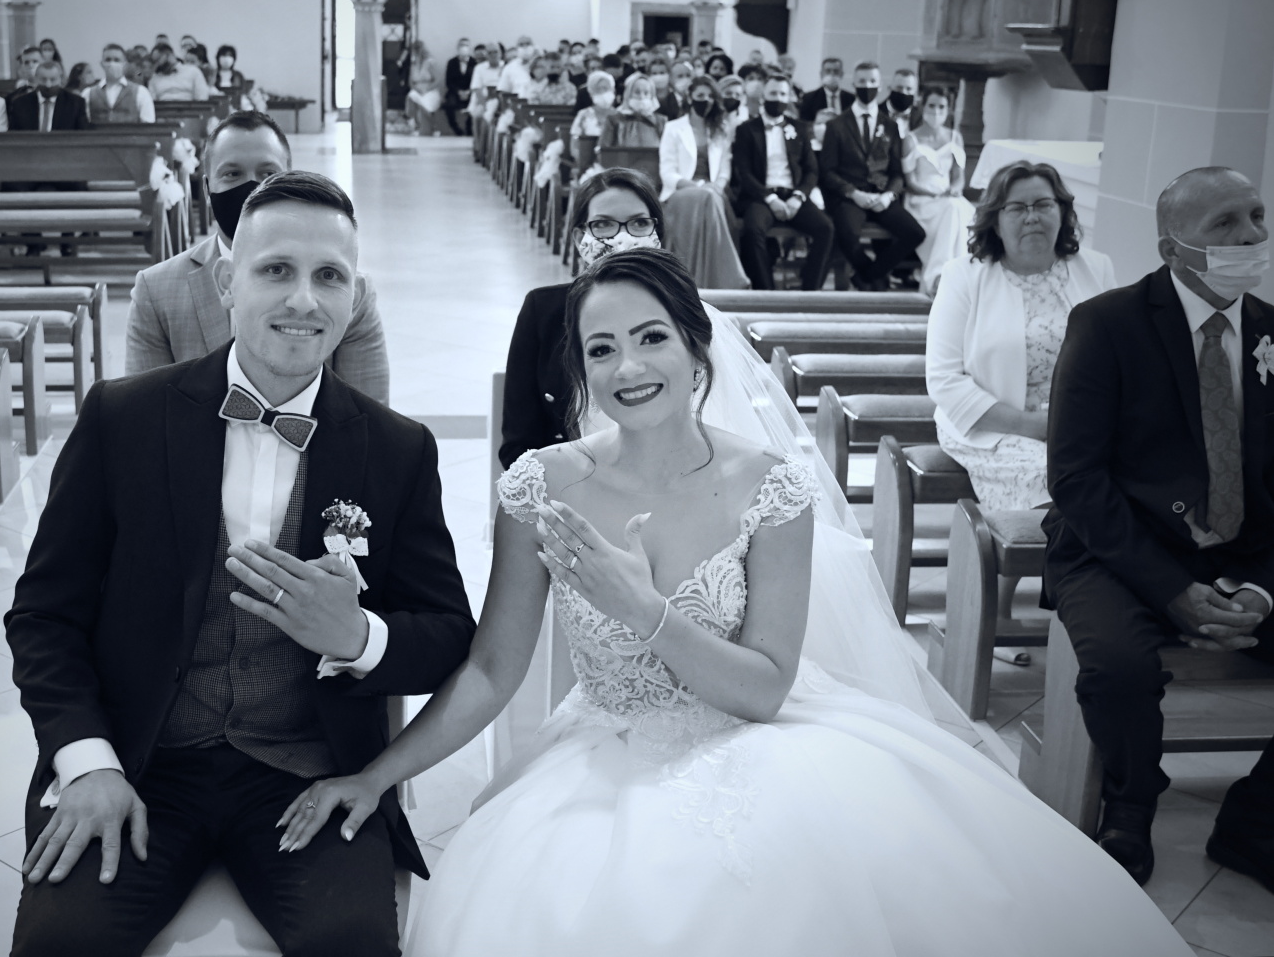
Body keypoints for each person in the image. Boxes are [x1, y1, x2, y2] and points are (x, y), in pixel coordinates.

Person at [280, 246, 1195, 957]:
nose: (628, 366)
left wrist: (643, 610)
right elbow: (490, 670)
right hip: (605, 752)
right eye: (601, 349)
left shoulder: (771, 487)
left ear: (695, 347)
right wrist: (378, 776)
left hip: (762, 741)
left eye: (651, 338)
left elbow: (763, 688)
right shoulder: (541, 487)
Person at [5, 170, 474, 957]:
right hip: (140, 762)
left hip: (308, 775)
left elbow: (447, 634)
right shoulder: (124, 418)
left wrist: (358, 637)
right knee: (61, 945)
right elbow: (44, 616)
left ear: (355, 296)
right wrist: (87, 763)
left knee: (352, 945)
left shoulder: (396, 449)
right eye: (276, 270)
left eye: (330, 276)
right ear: (227, 281)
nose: (304, 300)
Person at [1044, 166, 1274, 891]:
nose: (1251, 236)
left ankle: (1256, 818)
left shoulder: (1272, 331)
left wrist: (1261, 588)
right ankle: (1130, 806)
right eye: (1225, 224)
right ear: (1173, 249)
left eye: (1256, 216)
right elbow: (1076, 478)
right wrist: (1172, 589)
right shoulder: (1107, 324)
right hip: (1115, 548)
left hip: (1244, 549)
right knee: (1118, 666)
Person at [125, 111, 389, 403]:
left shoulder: (349, 296)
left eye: (267, 174)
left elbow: (368, 417)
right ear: (207, 189)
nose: (252, 189)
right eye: (232, 174)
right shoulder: (157, 291)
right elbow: (144, 414)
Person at [927, 160, 1115, 515]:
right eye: (1016, 208)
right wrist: (1032, 426)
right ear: (995, 221)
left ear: (1062, 211)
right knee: (1059, 480)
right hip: (991, 429)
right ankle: (1025, 550)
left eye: (1043, 204)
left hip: (1082, 427)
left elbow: (1121, 360)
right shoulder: (963, 277)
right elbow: (944, 379)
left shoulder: (1096, 269)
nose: (1032, 217)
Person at [501, 168, 666, 468]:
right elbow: (518, 444)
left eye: (639, 223)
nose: (622, 238)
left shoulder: (681, 315)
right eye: (603, 225)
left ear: (657, 234)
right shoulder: (543, 311)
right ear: (580, 237)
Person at [818, 62, 925, 291]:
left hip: (881, 194)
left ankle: (868, 276)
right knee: (847, 234)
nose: (867, 86)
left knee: (915, 233)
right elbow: (827, 171)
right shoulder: (836, 125)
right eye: (862, 82)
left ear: (880, 86)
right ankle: (875, 280)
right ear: (854, 84)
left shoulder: (890, 126)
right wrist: (852, 193)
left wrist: (889, 195)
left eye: (872, 82)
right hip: (850, 196)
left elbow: (897, 172)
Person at [732, 73, 832, 291]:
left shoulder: (800, 128)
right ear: (763, 97)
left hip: (793, 195)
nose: (778, 98)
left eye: (782, 94)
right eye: (773, 93)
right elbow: (744, 173)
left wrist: (799, 196)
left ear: (789, 98)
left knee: (826, 228)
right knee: (753, 230)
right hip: (761, 196)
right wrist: (770, 198)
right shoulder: (747, 129)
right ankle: (766, 291)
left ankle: (809, 291)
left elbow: (812, 170)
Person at [658, 75, 750, 289]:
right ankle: (731, 278)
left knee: (710, 198)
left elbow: (725, 170)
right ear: (690, 97)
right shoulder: (673, 127)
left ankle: (713, 279)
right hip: (681, 191)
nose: (705, 100)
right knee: (707, 198)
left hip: (713, 191)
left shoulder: (720, 128)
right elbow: (667, 172)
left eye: (710, 97)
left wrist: (716, 186)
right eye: (700, 96)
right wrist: (698, 187)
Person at [902, 86, 973, 294]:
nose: (936, 111)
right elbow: (910, 181)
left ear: (948, 110)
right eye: (931, 106)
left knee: (957, 209)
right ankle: (948, 280)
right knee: (954, 211)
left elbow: (959, 177)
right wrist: (932, 193)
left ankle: (940, 277)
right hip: (921, 200)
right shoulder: (911, 140)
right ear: (922, 107)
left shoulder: (955, 138)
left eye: (941, 107)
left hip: (947, 197)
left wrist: (954, 190)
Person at [7, 60, 89, 132]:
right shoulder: (20, 103)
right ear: (36, 78)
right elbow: (13, 136)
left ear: (60, 79)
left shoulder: (75, 103)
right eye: (43, 79)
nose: (48, 85)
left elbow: (82, 136)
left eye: (53, 80)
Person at [88, 44, 156, 123]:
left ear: (125, 63)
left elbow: (148, 124)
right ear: (102, 63)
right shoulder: (89, 93)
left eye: (117, 60)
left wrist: (137, 75)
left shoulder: (141, 89)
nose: (112, 63)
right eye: (108, 60)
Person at [600, 74, 665, 150]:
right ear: (628, 94)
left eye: (646, 93)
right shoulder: (613, 121)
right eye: (637, 92)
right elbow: (603, 151)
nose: (641, 97)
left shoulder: (661, 121)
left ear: (652, 96)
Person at [405, 40, 443, 136]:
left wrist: (427, 89)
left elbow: (438, 79)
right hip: (417, 90)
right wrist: (416, 89)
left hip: (430, 90)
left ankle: (435, 127)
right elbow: (411, 82)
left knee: (425, 103)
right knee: (411, 97)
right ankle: (415, 125)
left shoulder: (430, 62)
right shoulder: (413, 64)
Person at [799, 56, 854, 121]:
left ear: (842, 74)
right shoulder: (809, 98)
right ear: (821, 74)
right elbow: (805, 124)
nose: (832, 74)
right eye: (828, 71)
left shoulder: (852, 99)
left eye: (836, 71)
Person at [442, 38, 474, 136]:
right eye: (461, 45)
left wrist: (468, 91)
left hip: (471, 92)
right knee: (449, 104)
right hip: (455, 92)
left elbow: (476, 81)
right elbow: (448, 82)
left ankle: (469, 128)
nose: (464, 48)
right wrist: (459, 92)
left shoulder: (474, 62)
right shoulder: (451, 62)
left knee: (475, 103)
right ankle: (456, 129)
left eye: (466, 45)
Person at [466, 43, 504, 122]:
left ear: (500, 53)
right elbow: (477, 89)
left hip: (503, 99)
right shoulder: (479, 68)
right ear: (486, 55)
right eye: (490, 53)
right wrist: (485, 106)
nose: (493, 55)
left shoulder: (507, 66)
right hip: (484, 99)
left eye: (495, 52)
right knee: (479, 114)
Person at [882, 67, 919, 139]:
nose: (904, 92)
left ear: (915, 92)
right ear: (889, 88)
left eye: (909, 89)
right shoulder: (877, 113)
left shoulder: (922, 117)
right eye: (899, 88)